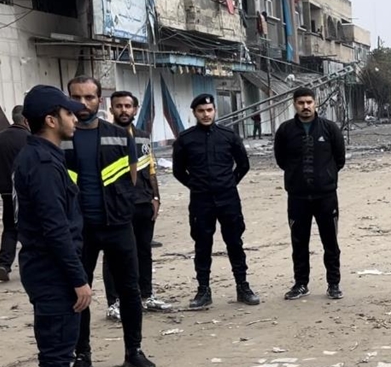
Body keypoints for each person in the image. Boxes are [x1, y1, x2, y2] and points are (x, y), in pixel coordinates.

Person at [15, 85, 107, 367]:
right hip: (52, 272)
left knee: (57, 351)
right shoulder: (41, 163)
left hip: (50, 268)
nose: (76, 116)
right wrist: (77, 279)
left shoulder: (44, 156)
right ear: (51, 120)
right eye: (69, 113)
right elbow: (54, 228)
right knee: (56, 355)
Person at [64, 76, 155, 367]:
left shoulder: (118, 135)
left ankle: (134, 352)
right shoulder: (62, 137)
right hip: (80, 231)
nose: (82, 104)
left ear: (99, 101)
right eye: (76, 97)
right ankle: (82, 357)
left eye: (89, 97)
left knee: (129, 290)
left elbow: (132, 177)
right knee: (79, 295)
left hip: (117, 225)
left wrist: (122, 207)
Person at [173, 93, 260, 308]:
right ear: (194, 113)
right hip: (201, 201)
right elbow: (178, 171)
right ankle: (203, 291)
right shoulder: (185, 139)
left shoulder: (228, 136)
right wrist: (195, 185)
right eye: (201, 111)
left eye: (209, 110)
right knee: (202, 245)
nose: (206, 114)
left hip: (228, 198)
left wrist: (229, 182)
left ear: (215, 111)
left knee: (235, 243)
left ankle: (243, 287)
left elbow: (243, 165)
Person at [102, 91, 170, 321]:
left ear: (135, 109)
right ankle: (114, 302)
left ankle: (146, 295)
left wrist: (156, 198)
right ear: (111, 109)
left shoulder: (142, 136)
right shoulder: (104, 137)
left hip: (142, 203)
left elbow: (150, 169)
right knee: (114, 254)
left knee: (144, 250)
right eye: (118, 106)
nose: (123, 110)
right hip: (116, 205)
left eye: (128, 106)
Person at [274, 87, 346, 300]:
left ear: (315, 103)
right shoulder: (285, 131)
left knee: (330, 242)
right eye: (300, 103)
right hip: (297, 197)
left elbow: (339, 159)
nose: (305, 106)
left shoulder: (329, 128)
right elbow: (281, 160)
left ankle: (333, 284)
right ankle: (300, 283)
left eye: (309, 102)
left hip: (326, 196)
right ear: (294, 104)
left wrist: (327, 176)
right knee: (299, 242)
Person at [0, 105, 28, 282]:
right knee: (32, 228)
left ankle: (3, 264)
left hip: (6, 192)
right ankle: (31, 266)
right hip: (24, 191)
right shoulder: (29, 138)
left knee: (10, 228)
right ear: (26, 120)